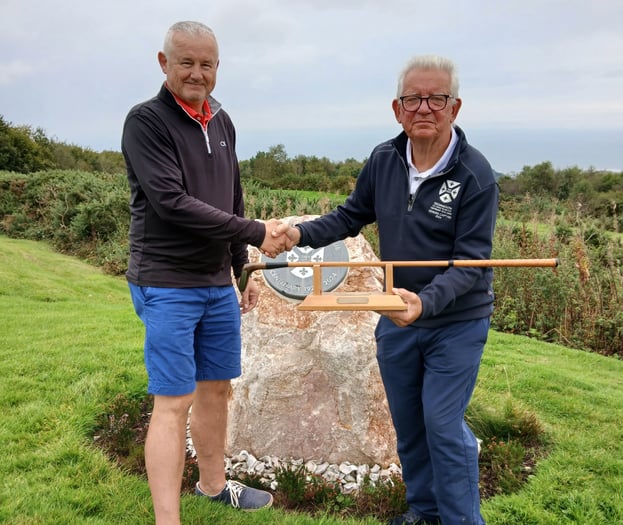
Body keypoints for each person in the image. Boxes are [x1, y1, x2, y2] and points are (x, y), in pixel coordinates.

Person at [276, 55, 498, 525]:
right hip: (394, 316)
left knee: (442, 424)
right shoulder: (383, 159)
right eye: (413, 98)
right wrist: (299, 235)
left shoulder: (475, 175)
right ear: (397, 109)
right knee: (410, 425)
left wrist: (427, 302)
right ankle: (423, 510)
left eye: (435, 98)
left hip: (455, 322)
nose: (424, 108)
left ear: (454, 107)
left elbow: (473, 263)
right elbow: (349, 216)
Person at [121, 21, 286, 525]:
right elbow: (172, 204)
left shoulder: (221, 120)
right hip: (167, 281)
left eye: (206, 64)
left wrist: (241, 268)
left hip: (216, 282)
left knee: (216, 387)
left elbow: (229, 196)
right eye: (186, 62)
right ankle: (166, 520)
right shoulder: (146, 122)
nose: (197, 73)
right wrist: (257, 232)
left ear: (218, 67)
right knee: (173, 399)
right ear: (163, 62)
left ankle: (213, 487)